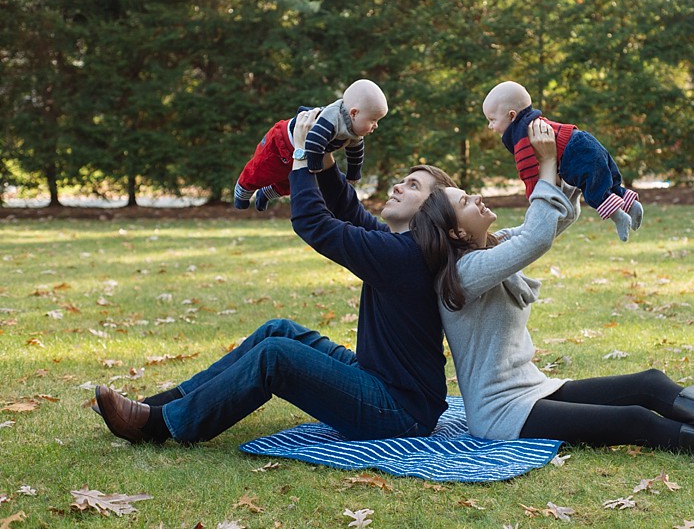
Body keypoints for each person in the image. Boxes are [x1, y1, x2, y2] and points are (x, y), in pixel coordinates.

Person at [409, 119, 694, 466]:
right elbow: (536, 239)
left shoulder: (493, 248)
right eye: (466, 201)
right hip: (503, 413)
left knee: (650, 384)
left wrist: (572, 170)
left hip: (533, 387)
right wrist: (542, 166)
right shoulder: (468, 269)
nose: (478, 198)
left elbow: (551, 224)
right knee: (636, 420)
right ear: (455, 230)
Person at [95, 108, 454, 445]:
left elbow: (316, 224)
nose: (397, 186)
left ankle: (161, 425)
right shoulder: (402, 246)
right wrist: (324, 153)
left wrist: (301, 156)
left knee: (276, 356)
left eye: (412, 186)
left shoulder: (402, 255)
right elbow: (347, 210)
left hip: (399, 411)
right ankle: (161, 403)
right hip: (380, 379)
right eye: (404, 180)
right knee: (277, 330)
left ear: (431, 210)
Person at [483, 80, 642, 242]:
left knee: (594, 190)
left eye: (492, 120)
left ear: (512, 115)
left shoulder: (521, 135)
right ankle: (631, 204)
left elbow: (527, 169)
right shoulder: (534, 120)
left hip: (574, 154)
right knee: (607, 179)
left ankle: (618, 216)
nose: (490, 126)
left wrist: (535, 197)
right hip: (583, 138)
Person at [233, 79, 388, 211]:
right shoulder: (331, 118)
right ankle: (242, 191)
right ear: (354, 113)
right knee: (261, 170)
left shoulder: (355, 132)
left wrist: (353, 174)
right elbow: (315, 139)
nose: (376, 126)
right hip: (281, 143)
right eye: (373, 120)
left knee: (291, 183)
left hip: (301, 152)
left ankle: (266, 194)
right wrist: (314, 166)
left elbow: (356, 153)